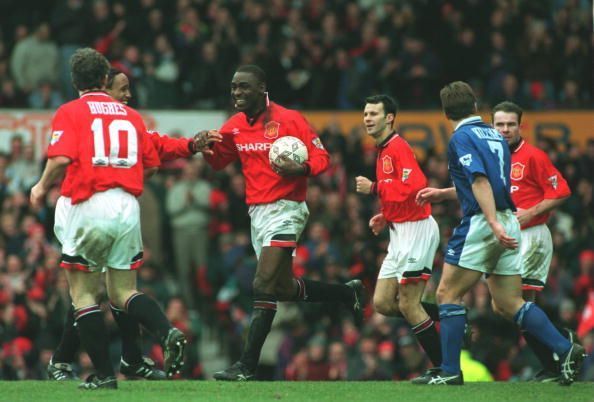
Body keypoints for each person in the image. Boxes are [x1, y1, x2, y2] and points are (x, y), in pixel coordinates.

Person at [30, 48, 187, 390]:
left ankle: (103, 374)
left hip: (89, 203)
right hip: (128, 206)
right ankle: (166, 330)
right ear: (105, 79)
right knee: (123, 291)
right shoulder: (131, 116)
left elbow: (59, 159)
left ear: (75, 81)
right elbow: (154, 164)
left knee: (84, 296)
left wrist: (41, 186)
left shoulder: (71, 111)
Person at [413, 81, 584, 385]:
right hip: (510, 219)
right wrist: (445, 194)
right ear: (475, 106)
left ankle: (450, 371)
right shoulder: (493, 135)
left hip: (484, 221)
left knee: (447, 294)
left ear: (445, 112)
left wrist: (490, 222)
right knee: (509, 303)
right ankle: (565, 348)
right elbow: (492, 183)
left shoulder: (460, 137)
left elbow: (480, 181)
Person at [200, 64, 364, 381]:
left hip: (287, 208)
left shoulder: (290, 119)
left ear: (262, 88)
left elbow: (322, 159)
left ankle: (246, 366)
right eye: (234, 87)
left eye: (244, 87)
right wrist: (206, 148)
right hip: (257, 213)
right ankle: (347, 294)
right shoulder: (234, 125)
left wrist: (300, 169)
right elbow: (220, 161)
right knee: (283, 289)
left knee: (261, 285)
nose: (237, 93)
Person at [354, 95, 442, 371]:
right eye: (365, 113)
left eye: (373, 114)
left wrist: (375, 188)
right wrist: (386, 214)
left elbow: (416, 186)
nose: (367, 118)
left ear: (389, 118)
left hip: (417, 231)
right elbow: (401, 191)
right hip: (398, 231)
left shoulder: (397, 147)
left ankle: (445, 367)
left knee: (408, 304)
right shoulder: (382, 150)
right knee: (381, 302)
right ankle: (452, 318)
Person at [491, 101, 574, 381]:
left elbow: (562, 191)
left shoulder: (533, 156)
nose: (505, 129)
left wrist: (532, 212)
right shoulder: (492, 156)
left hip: (531, 236)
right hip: (508, 238)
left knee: (509, 303)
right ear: (492, 126)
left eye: (510, 124)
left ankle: (564, 350)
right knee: (513, 306)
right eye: (500, 124)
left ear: (520, 126)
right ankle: (560, 353)